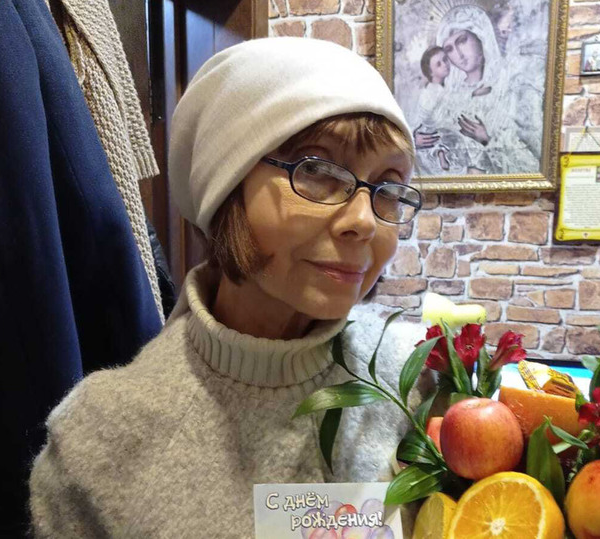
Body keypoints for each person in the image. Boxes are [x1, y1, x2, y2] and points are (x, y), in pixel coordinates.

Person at [29, 37, 427, 538]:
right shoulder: (99, 440)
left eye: (389, 187)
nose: (365, 221)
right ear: (226, 187)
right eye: (318, 170)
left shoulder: (418, 382)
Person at [413, 5, 539, 175]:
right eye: (449, 49)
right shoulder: (449, 97)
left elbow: (534, 165)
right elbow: (436, 146)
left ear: (480, 35)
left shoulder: (514, 87)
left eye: (462, 41)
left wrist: (487, 140)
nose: (458, 54)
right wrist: (418, 142)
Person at [417, 46, 457, 171]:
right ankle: (440, 154)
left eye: (445, 60)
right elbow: (426, 115)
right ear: (431, 72)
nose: (445, 65)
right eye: (439, 64)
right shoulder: (432, 91)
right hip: (432, 126)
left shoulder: (446, 87)